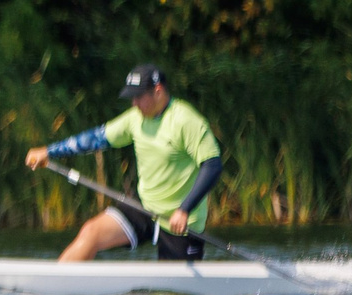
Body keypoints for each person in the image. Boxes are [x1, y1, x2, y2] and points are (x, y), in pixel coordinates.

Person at [24, 64, 224, 262]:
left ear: (158, 91)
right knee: (91, 232)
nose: (134, 104)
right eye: (132, 98)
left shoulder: (186, 121)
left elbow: (212, 165)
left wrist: (184, 210)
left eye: (138, 97)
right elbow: (96, 139)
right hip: (145, 207)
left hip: (181, 221)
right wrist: (49, 152)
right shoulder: (135, 119)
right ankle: (59, 285)